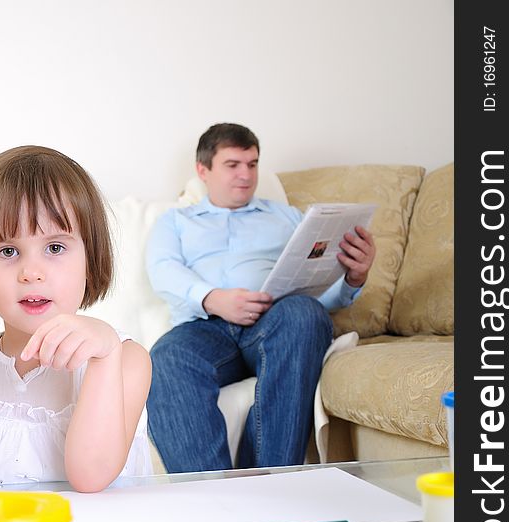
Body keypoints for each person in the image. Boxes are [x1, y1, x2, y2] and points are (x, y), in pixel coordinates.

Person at [0, 145, 152, 493]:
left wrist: (105, 353)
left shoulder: (124, 359)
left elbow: (91, 475)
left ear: (91, 258)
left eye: (55, 248)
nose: (31, 273)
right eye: (8, 251)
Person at [145, 123, 376, 472]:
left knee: (305, 313)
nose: (246, 175)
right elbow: (163, 269)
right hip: (205, 329)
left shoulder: (288, 217)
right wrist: (213, 298)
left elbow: (318, 291)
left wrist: (353, 277)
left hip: (272, 325)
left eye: (252, 164)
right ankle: (210, 497)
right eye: (233, 165)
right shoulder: (175, 221)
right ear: (203, 170)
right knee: (166, 358)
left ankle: (269, 483)